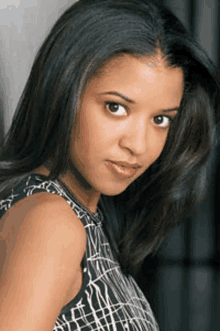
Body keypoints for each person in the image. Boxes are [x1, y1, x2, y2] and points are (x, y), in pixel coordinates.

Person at [0, 0, 219, 330]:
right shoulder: (50, 222)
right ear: (64, 89)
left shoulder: (86, 220)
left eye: (160, 119)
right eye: (116, 108)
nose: (138, 145)